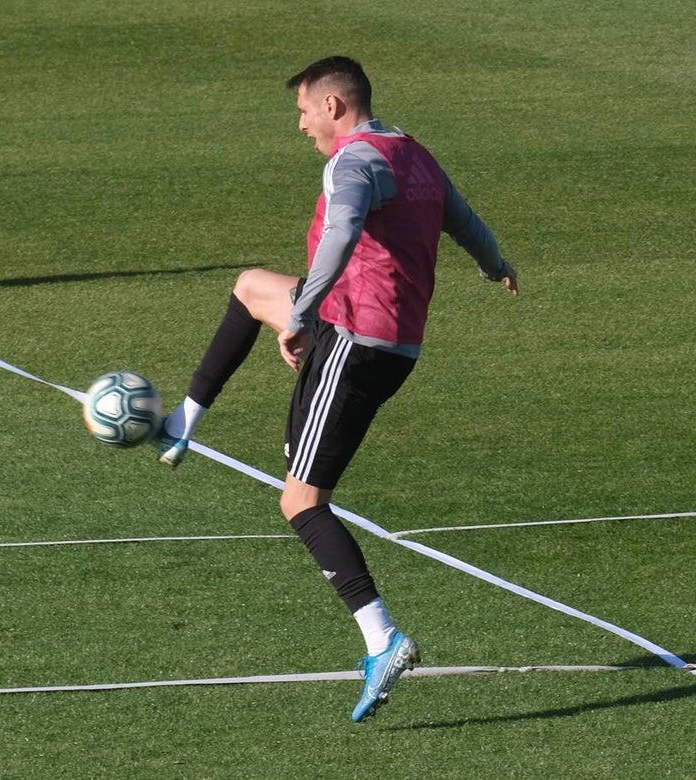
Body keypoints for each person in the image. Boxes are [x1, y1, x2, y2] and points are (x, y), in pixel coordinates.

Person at [155, 56, 518, 722]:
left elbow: (344, 229)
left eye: (302, 111)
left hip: (357, 341)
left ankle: (383, 639)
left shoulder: (353, 162)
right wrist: (496, 265)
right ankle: (183, 423)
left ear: (332, 106)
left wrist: (301, 316)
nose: (300, 125)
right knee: (251, 287)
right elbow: (465, 222)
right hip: (377, 333)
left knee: (300, 501)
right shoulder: (414, 154)